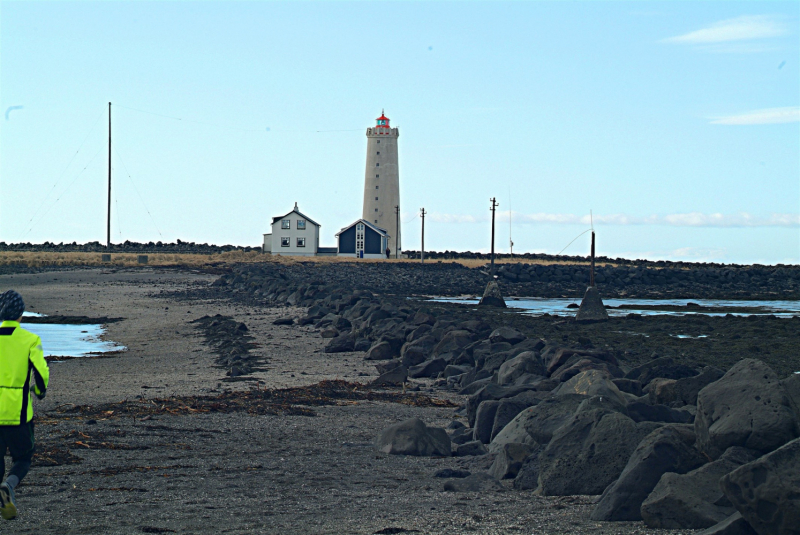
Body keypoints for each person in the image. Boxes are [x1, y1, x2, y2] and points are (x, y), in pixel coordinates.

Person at [0, 290, 49, 521]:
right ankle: (9, 485)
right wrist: (39, 392)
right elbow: (41, 373)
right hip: (17, 415)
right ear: (20, 314)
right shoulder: (30, 340)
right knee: (23, 458)